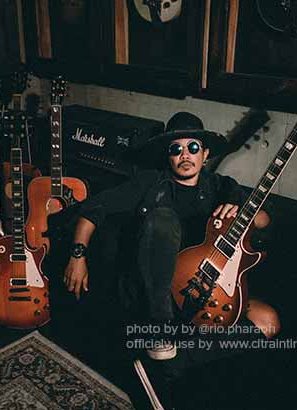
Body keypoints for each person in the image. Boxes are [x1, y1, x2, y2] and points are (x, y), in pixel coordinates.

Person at [63, 112, 281, 409]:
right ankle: (160, 334)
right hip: (155, 296)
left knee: (267, 322)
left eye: (193, 147)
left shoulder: (222, 186)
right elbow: (94, 209)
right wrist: (77, 255)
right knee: (163, 218)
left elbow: (265, 221)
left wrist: (243, 210)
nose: (185, 155)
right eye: (176, 149)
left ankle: (170, 362)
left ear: (205, 154)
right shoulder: (150, 183)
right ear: (168, 156)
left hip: (202, 291)